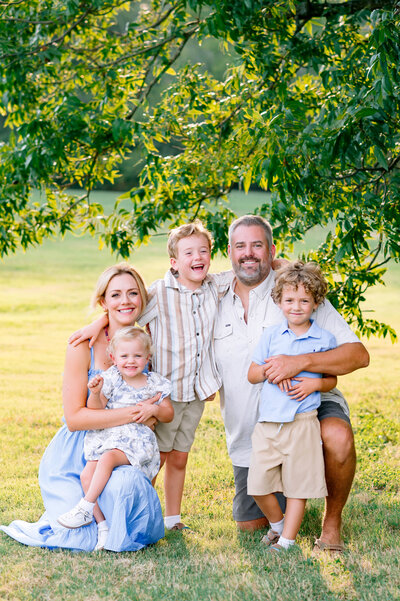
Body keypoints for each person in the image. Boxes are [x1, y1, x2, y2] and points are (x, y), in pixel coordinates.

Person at [214, 214, 369, 553]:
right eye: (241, 246)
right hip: (258, 428)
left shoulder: (296, 291)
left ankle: (331, 524)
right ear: (229, 251)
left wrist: (301, 363)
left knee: (337, 436)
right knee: (249, 524)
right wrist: (103, 320)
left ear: (272, 250)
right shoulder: (213, 293)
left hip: (309, 398)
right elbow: (157, 297)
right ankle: (288, 504)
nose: (249, 253)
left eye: (258, 245)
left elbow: (359, 355)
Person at [69, 221, 232, 531]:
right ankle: (144, 512)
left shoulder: (216, 285)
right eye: (188, 252)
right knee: (156, 456)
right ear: (173, 262)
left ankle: (172, 518)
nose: (197, 257)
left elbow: (248, 271)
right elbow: (126, 307)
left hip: (196, 391)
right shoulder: (159, 292)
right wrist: (97, 323)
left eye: (203, 251)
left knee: (180, 457)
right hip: (161, 394)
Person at [0, 264, 169, 552]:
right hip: (76, 452)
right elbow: (75, 419)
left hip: (122, 449)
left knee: (128, 522)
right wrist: (136, 414)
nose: (125, 301)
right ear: (104, 301)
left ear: (142, 298)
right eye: (115, 295)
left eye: (132, 293)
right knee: (77, 536)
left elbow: (157, 407)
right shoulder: (83, 345)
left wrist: (149, 413)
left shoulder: (145, 344)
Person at [247, 261, 338, 552]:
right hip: (269, 424)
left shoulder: (324, 340)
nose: (296, 306)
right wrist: (272, 371)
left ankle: (286, 541)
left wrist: (314, 384)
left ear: (315, 303)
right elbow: (252, 374)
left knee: (298, 486)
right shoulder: (272, 336)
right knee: (258, 484)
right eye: (289, 300)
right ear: (279, 302)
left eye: (304, 300)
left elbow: (331, 379)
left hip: (303, 422)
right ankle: (277, 524)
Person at [57, 326, 173, 547]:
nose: (131, 361)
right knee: (86, 476)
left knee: (108, 458)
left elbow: (168, 414)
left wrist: (154, 410)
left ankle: (85, 506)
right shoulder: (112, 378)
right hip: (108, 436)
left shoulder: (154, 383)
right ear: (113, 358)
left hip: (136, 440)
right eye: (124, 356)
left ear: (147, 357)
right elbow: (97, 409)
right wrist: (96, 393)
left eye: (137, 356)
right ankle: (103, 525)